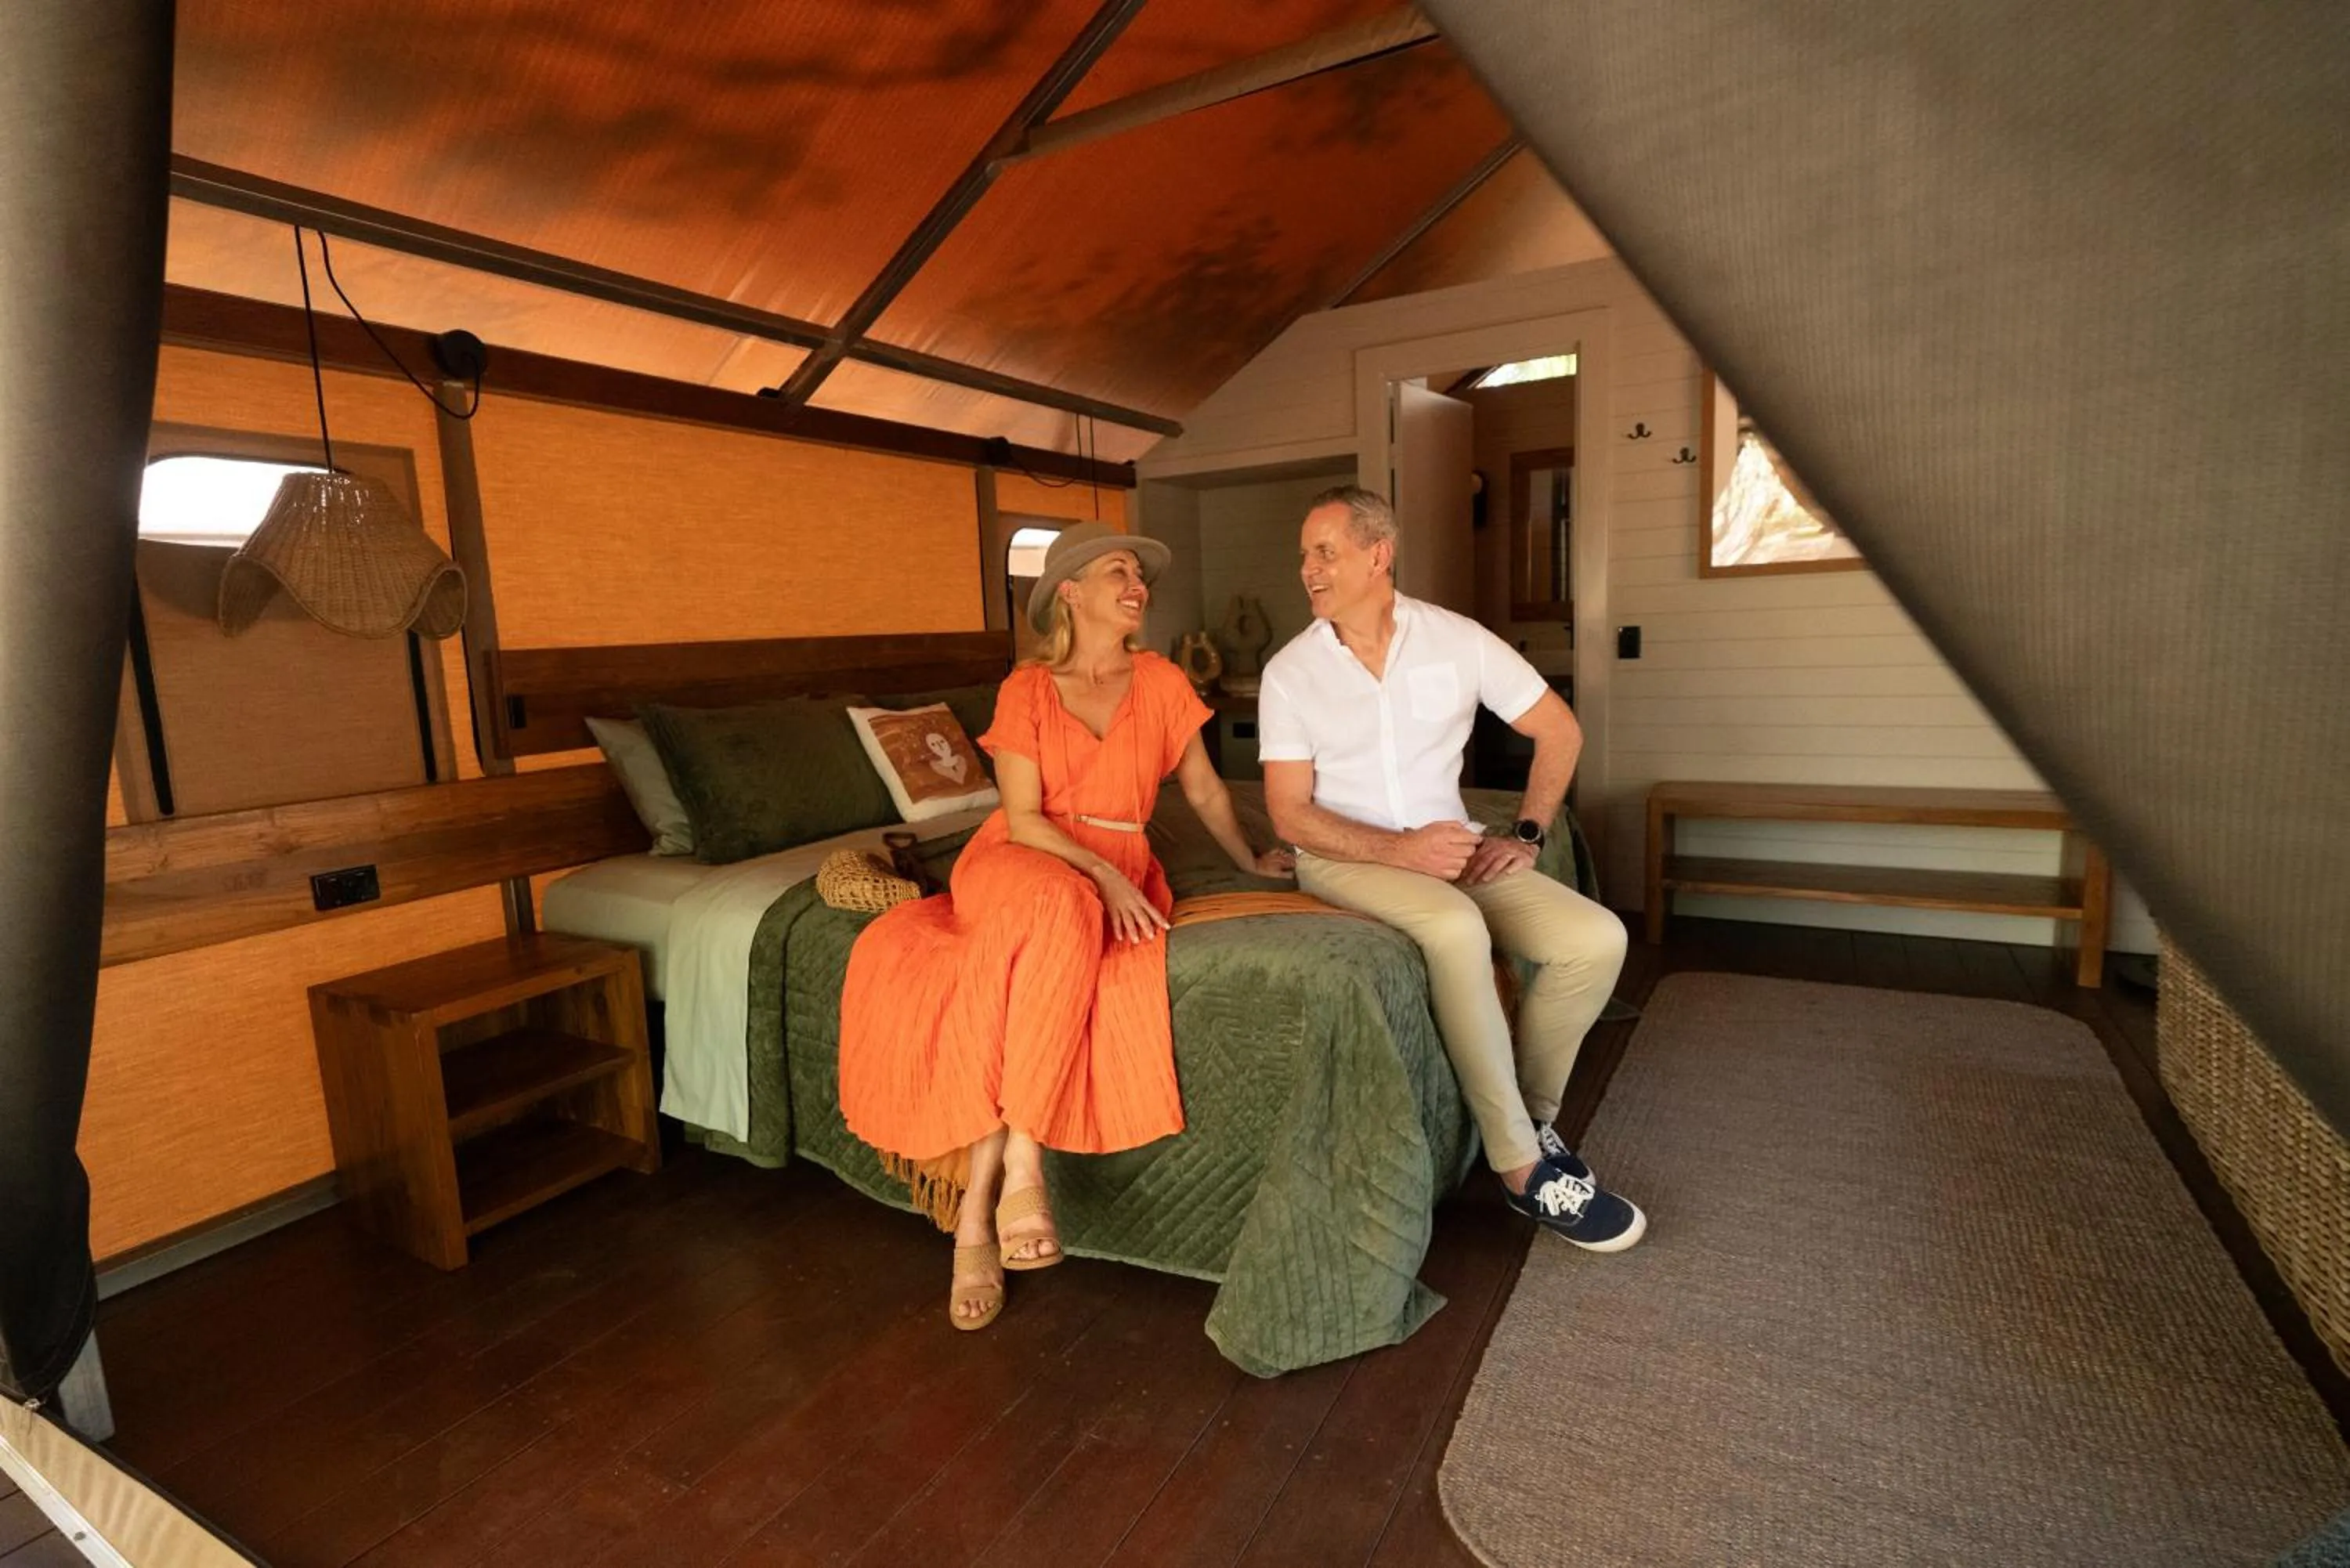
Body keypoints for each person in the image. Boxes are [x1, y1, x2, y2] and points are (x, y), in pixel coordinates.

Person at [838, 522, 1295, 1331]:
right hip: (1020, 857)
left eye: (1140, 574)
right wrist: (1111, 874)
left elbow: (1208, 791)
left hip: (1104, 862)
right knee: (1064, 904)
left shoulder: (1159, 680)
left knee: (1058, 932)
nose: (1137, 584)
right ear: (1070, 593)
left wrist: (1253, 856)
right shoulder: (1028, 688)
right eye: (1118, 570)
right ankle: (1021, 1169)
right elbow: (1020, 816)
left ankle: (984, 1205)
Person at [1257, 486, 1643, 1252]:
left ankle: (1526, 1117)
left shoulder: (1457, 641)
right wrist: (1402, 852)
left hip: (1453, 848)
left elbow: (1558, 730)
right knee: (1455, 925)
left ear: (1379, 553)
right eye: (1304, 555)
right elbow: (1290, 815)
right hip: (1342, 858)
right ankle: (1522, 1174)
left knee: (1595, 939)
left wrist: (1527, 832)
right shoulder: (1291, 673)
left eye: (1324, 551)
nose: (1308, 569)